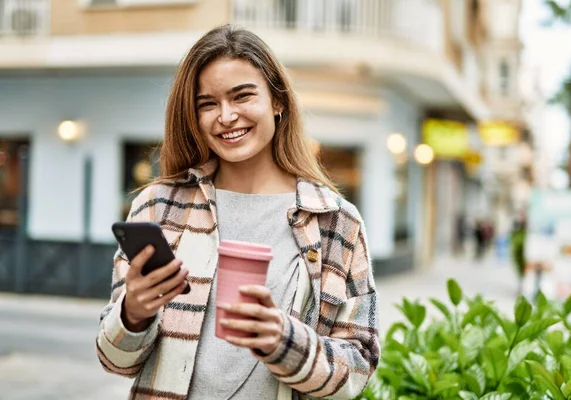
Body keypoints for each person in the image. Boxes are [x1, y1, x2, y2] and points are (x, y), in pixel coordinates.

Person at [96, 25, 380, 399]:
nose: (226, 116)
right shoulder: (159, 206)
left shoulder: (334, 221)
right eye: (207, 104)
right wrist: (133, 312)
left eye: (242, 96)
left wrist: (284, 341)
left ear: (277, 101)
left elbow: (357, 371)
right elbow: (115, 361)